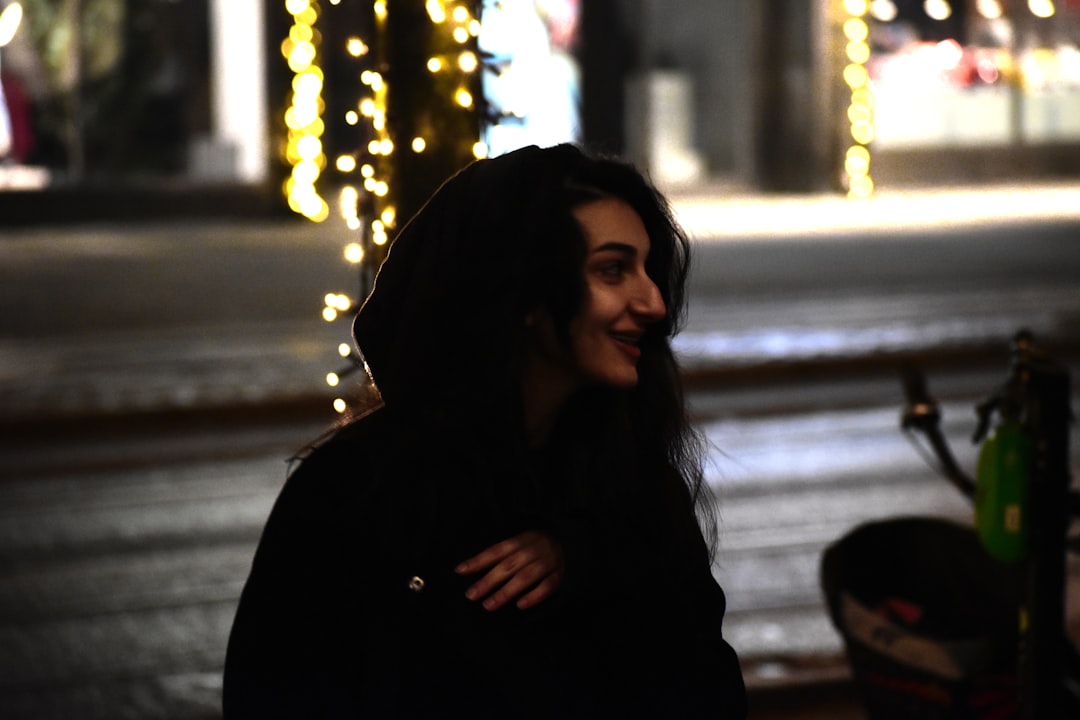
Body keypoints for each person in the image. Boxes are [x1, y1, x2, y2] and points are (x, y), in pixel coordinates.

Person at [223, 143, 747, 718]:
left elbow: (706, 686)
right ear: (522, 291)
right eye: (612, 270)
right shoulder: (353, 492)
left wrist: (596, 562)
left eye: (648, 270)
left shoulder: (633, 486)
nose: (652, 301)